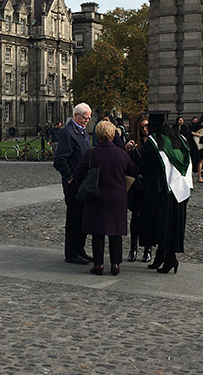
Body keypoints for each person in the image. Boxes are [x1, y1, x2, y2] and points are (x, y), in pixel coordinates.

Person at [73, 120, 139, 276]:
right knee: (115, 232)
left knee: (98, 232)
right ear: (112, 134)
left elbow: (77, 175)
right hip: (118, 196)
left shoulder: (91, 154)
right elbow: (134, 171)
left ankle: (99, 264)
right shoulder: (121, 154)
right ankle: (115, 264)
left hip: (97, 196)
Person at [139, 110, 192, 274]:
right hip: (180, 190)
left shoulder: (154, 142)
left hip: (163, 192)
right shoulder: (179, 138)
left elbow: (145, 165)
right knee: (174, 226)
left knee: (162, 225)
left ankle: (169, 259)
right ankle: (163, 256)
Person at [52, 102, 94, 265]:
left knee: (83, 217)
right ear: (76, 115)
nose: (86, 121)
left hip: (83, 181)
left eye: (88, 118)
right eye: (85, 118)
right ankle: (71, 252)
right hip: (74, 184)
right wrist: (70, 177)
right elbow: (60, 160)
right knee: (74, 218)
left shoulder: (82, 132)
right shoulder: (68, 133)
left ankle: (79, 248)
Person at [124, 112, 151, 263]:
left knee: (148, 218)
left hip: (149, 184)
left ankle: (147, 248)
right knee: (136, 217)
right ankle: (133, 248)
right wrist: (126, 149)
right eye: (142, 127)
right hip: (136, 184)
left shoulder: (153, 141)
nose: (145, 130)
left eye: (147, 126)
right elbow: (124, 162)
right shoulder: (132, 140)